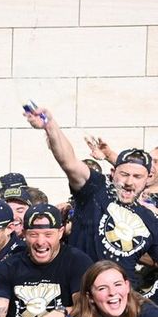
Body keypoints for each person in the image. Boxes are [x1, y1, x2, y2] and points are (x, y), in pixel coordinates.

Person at [25, 106, 158, 285]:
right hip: (82, 292)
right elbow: (69, 162)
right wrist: (50, 125)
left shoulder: (149, 218)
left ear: (147, 179)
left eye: (137, 177)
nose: (129, 182)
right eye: (124, 174)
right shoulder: (96, 189)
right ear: (113, 173)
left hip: (122, 300)